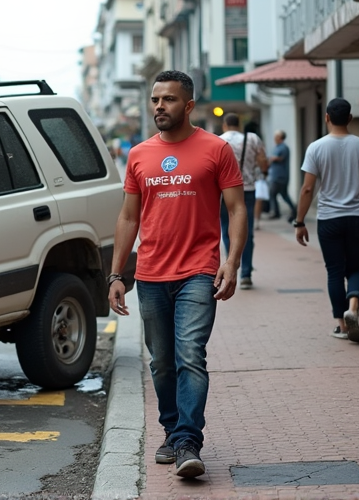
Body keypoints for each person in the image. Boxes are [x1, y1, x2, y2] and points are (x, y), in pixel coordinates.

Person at [108, 70, 247, 480]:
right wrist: (116, 274)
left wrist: (233, 261)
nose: (158, 107)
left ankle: (188, 439)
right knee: (162, 363)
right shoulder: (138, 154)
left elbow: (237, 208)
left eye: (168, 100)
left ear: (188, 106)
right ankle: (172, 431)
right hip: (151, 274)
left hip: (198, 272)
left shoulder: (216, 149)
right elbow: (128, 216)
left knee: (191, 356)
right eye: (155, 100)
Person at [294, 98, 359, 342]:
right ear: (350, 118)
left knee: (334, 272)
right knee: (354, 267)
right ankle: (353, 307)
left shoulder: (316, 148)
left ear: (327, 118)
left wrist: (299, 222)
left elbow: (308, 189)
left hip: (329, 219)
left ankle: (341, 324)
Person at [218, 113, 268, 289]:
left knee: (226, 229)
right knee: (247, 231)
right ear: (239, 124)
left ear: (225, 125)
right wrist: (260, 169)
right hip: (247, 189)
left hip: (225, 192)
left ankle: (230, 265)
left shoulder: (218, 140)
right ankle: (246, 272)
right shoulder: (252, 138)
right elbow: (263, 161)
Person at [267, 130, 296, 221]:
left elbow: (278, 158)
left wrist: (272, 159)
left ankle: (276, 212)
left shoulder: (283, 148)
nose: (274, 138)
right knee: (283, 194)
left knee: (273, 193)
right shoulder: (277, 147)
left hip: (280, 176)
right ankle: (293, 209)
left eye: (276, 136)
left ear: (280, 137)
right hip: (276, 175)